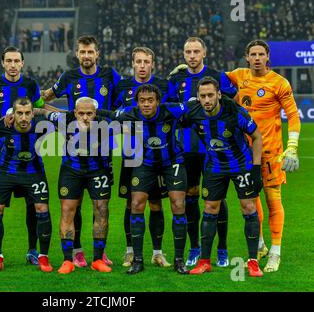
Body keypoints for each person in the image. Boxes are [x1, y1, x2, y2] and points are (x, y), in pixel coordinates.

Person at [41, 35, 121, 267]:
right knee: (71, 207)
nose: (86, 56)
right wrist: (27, 106)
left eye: (90, 52)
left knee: (101, 207)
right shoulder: (68, 77)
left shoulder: (110, 76)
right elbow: (44, 98)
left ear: (97, 54)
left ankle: (99, 255)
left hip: (102, 157)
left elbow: (125, 100)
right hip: (72, 156)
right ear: (77, 54)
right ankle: (75, 251)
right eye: (82, 52)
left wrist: (113, 123)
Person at [225, 39, 301, 272]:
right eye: (253, 54)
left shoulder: (279, 83)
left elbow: (293, 116)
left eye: (261, 54)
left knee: (272, 199)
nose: (257, 58)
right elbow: (214, 80)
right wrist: (189, 71)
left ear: (268, 56)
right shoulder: (239, 76)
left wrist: (292, 146)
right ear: (247, 57)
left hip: (270, 153)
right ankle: (259, 245)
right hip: (244, 153)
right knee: (248, 201)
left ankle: (275, 253)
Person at [98, 84, 190, 275]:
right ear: (137, 102)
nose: (146, 104)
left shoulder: (171, 109)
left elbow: (194, 106)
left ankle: (179, 260)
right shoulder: (130, 113)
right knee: (137, 204)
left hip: (171, 162)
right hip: (144, 162)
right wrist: (90, 110)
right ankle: (137, 260)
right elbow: (110, 114)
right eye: (142, 101)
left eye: (150, 100)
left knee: (178, 204)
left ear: (157, 101)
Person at [0, 46, 59, 269]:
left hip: (28, 152)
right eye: (9, 61)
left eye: (17, 61)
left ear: (22, 63)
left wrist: (63, 115)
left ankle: (33, 250)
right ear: (3, 63)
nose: (13, 65)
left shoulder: (30, 85)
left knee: (32, 205)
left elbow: (39, 107)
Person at [167, 37, 237, 268]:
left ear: (204, 53)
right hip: (186, 149)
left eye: (196, 51)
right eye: (188, 51)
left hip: (213, 150)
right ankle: (195, 247)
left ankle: (222, 248)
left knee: (216, 199)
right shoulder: (176, 79)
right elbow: (168, 105)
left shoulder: (218, 76)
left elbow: (233, 100)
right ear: (183, 54)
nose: (192, 55)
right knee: (191, 197)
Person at [184, 76, 264, 277]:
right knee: (210, 209)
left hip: (241, 164)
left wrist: (256, 168)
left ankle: (253, 262)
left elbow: (256, 136)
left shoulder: (235, 112)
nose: (207, 99)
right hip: (215, 166)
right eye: (203, 96)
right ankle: (204, 261)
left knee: (248, 207)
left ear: (219, 94)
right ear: (198, 98)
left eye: (211, 95)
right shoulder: (193, 112)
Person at [35, 97, 115, 274]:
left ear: (96, 113)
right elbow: (43, 112)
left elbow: (126, 118)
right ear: (74, 113)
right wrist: (18, 113)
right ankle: (67, 260)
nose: (85, 117)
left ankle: (97, 259)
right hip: (71, 171)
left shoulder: (106, 124)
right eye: (81, 113)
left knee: (101, 210)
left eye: (89, 114)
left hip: (97, 171)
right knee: (67, 211)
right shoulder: (64, 120)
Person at [113, 46, 172, 268]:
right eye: (138, 62)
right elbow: (114, 114)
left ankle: (157, 252)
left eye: (146, 62)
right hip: (131, 154)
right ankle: (130, 251)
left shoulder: (164, 85)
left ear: (152, 64)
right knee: (132, 203)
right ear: (133, 63)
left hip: (158, 156)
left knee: (156, 203)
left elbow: (173, 112)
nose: (142, 66)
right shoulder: (122, 87)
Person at [0, 98, 53, 274]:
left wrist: (42, 111)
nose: (23, 118)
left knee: (42, 209)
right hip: (5, 172)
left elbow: (63, 120)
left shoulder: (41, 125)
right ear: (12, 114)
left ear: (32, 113)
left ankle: (42, 256)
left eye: (27, 113)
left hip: (33, 171)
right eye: (19, 113)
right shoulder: (2, 126)